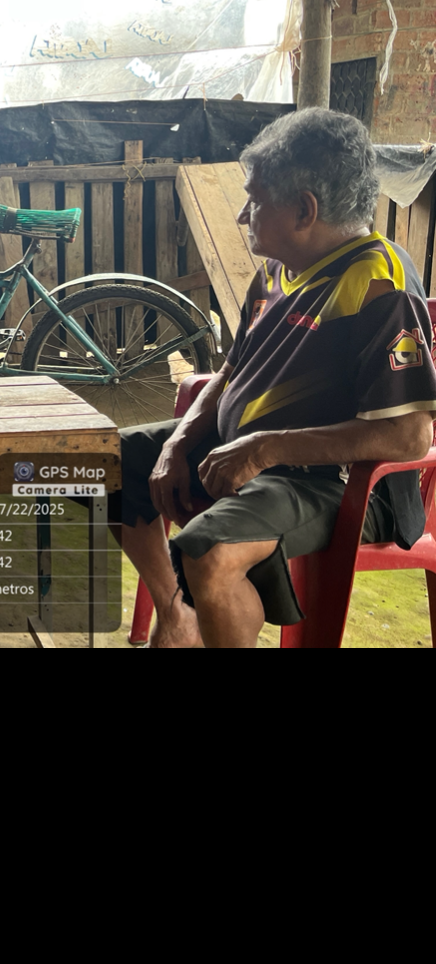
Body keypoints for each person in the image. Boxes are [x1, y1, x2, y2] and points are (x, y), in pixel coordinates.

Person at [110, 108, 436, 648]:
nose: (243, 215)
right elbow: (229, 373)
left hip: (338, 482)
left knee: (209, 552)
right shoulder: (276, 270)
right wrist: (179, 442)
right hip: (247, 452)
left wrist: (265, 448)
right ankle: (176, 614)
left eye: (256, 200)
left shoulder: (379, 286)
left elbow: (409, 436)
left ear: (305, 209)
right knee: (102, 459)